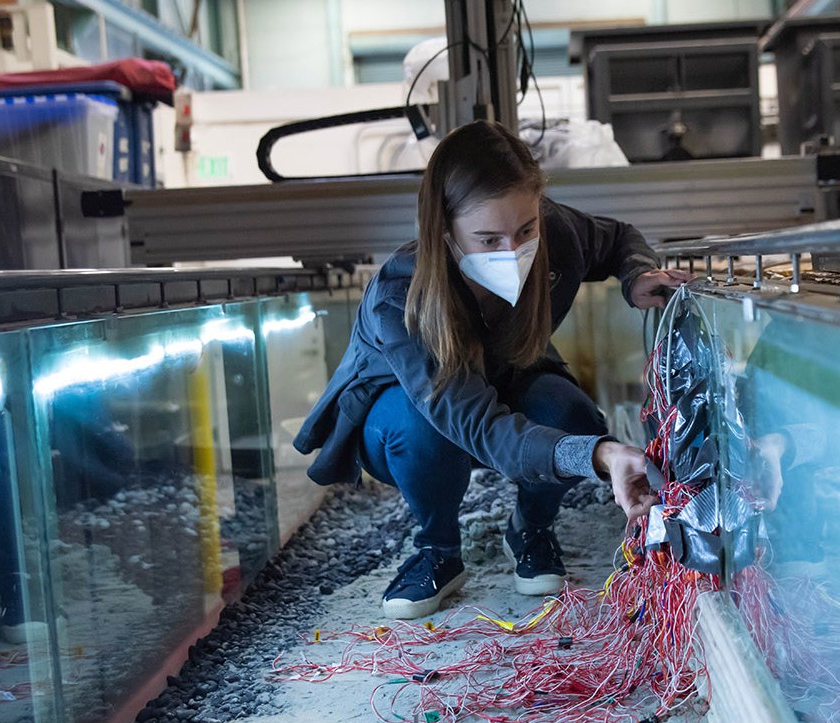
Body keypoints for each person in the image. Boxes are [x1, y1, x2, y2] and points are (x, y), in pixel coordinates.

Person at [294, 121, 688, 619]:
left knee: (572, 415)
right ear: (445, 231)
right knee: (420, 432)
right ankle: (436, 548)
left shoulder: (558, 234)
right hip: (409, 411)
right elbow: (476, 423)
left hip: (510, 376)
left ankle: (531, 528)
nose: (513, 252)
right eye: (487, 238)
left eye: (525, 230)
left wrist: (635, 275)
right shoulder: (400, 296)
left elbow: (617, 239)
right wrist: (600, 456)